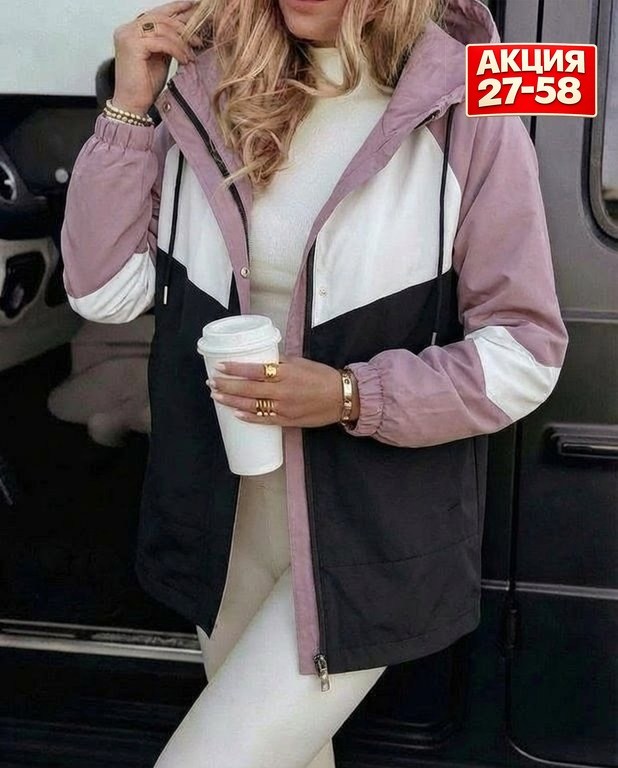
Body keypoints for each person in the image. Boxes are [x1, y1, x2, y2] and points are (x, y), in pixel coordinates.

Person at [60, 0, 569, 765]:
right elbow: (104, 293)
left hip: (364, 530)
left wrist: (350, 395)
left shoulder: (465, 107)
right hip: (224, 518)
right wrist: (129, 109)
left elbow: (527, 351)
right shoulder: (206, 93)